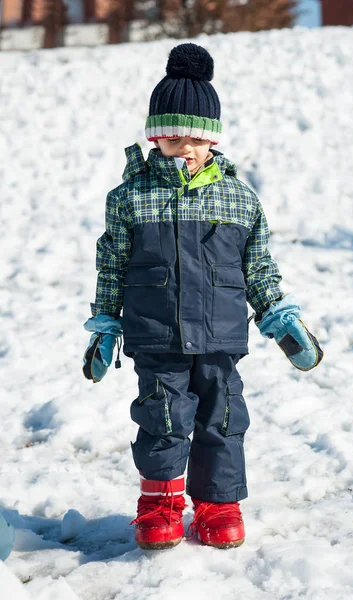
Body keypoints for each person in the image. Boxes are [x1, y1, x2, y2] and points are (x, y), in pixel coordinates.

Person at [83, 43, 323, 550]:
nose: (185, 146)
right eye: (173, 137)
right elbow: (112, 264)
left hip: (220, 337)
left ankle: (218, 505)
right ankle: (161, 505)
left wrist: (279, 316)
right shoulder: (130, 197)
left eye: (196, 137)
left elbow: (257, 266)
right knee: (161, 419)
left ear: (212, 138)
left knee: (223, 420)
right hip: (157, 336)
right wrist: (106, 324)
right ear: (155, 137)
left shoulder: (239, 199)